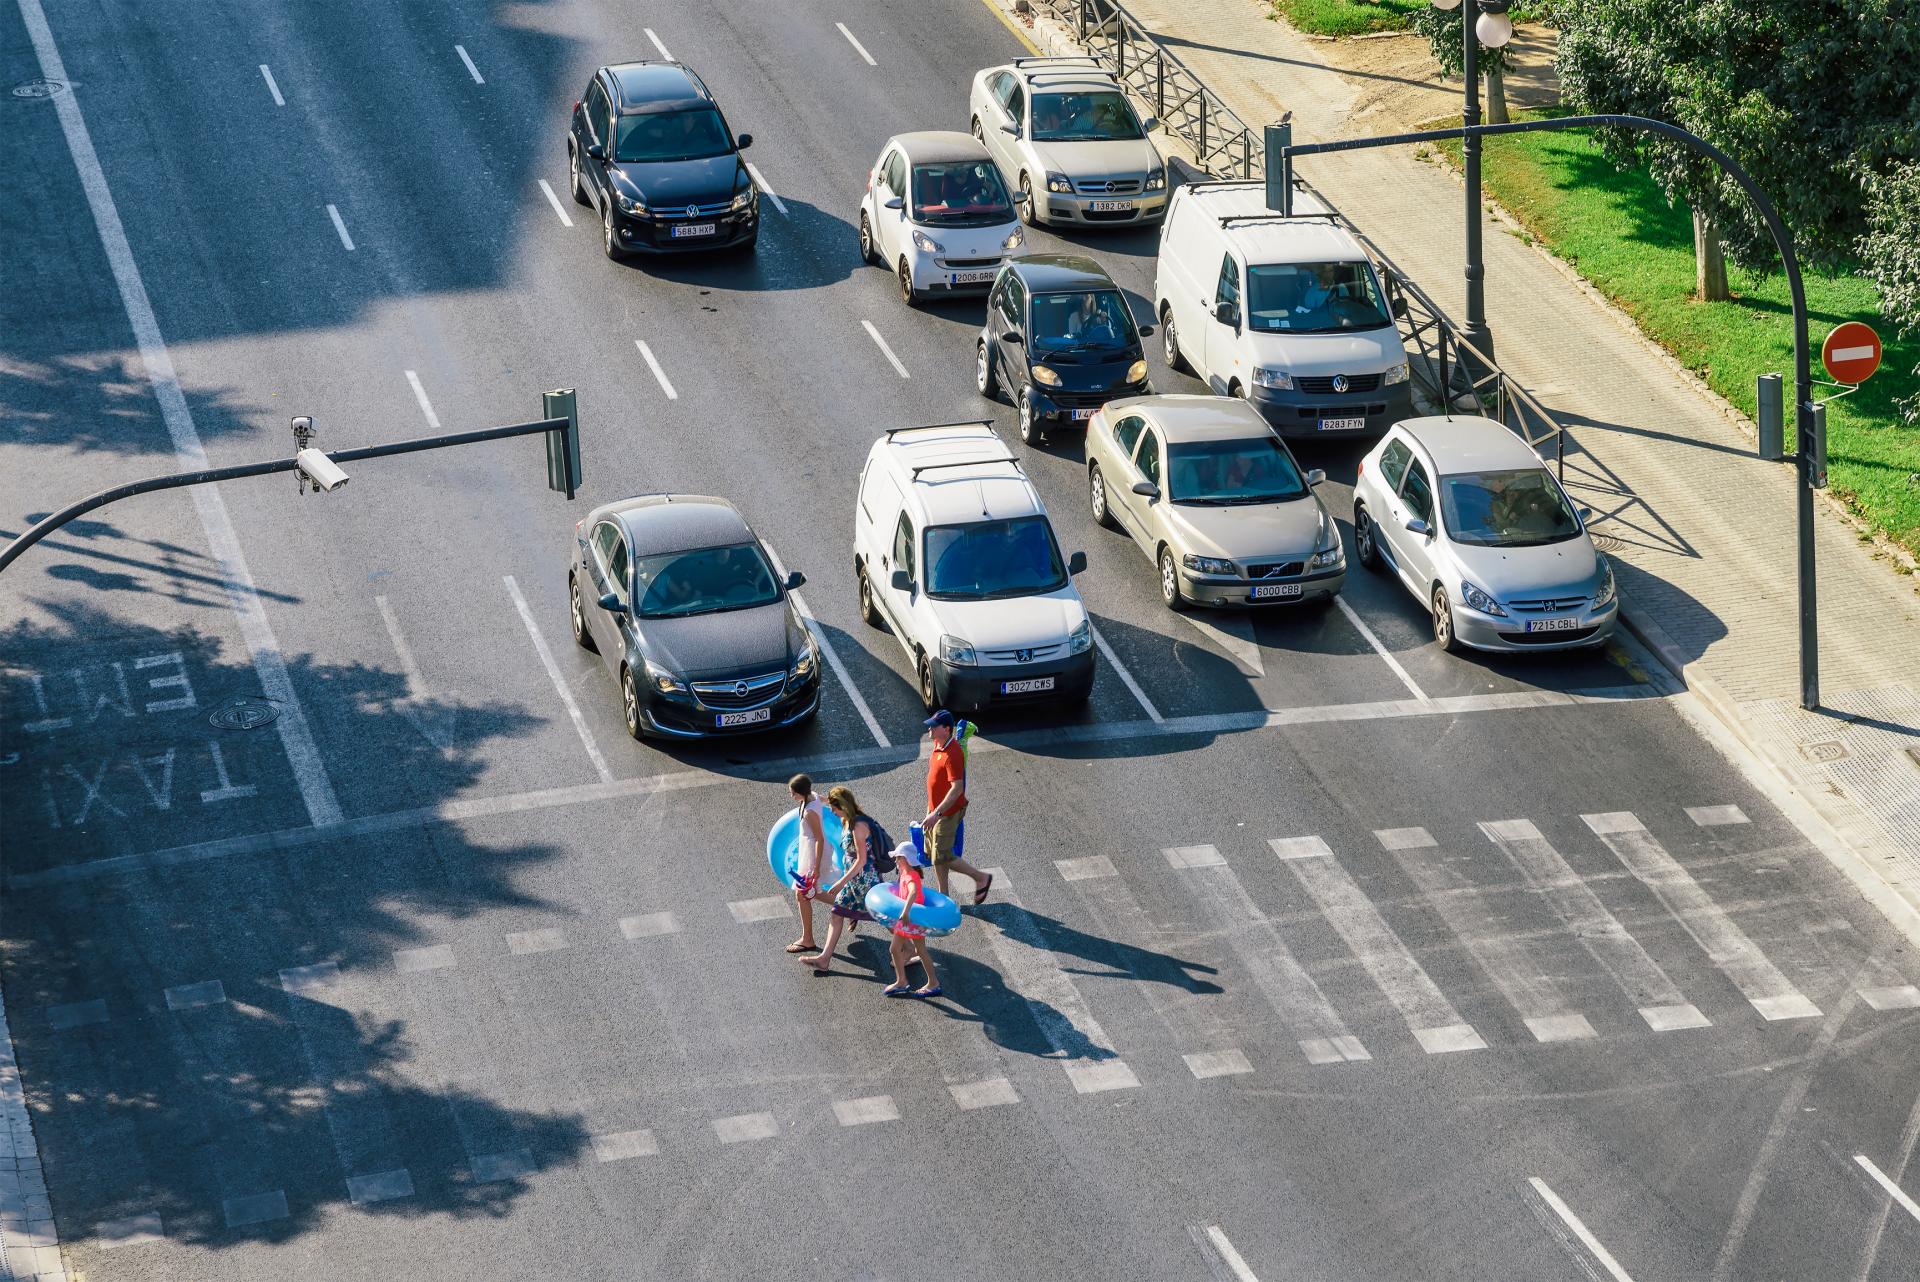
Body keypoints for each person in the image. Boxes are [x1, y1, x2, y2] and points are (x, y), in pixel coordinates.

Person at [803, 786, 885, 975]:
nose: (831, 811)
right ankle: (824, 959)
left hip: (865, 881)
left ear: (843, 806)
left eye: (834, 808)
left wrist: (840, 883)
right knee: (837, 913)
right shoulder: (845, 819)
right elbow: (824, 800)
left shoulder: (857, 827)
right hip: (853, 881)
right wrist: (813, 797)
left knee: (882, 916)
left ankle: (911, 950)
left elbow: (861, 860)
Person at [922, 710, 992, 904]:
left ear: (946, 729)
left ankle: (981, 878)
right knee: (936, 854)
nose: (929, 728)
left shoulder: (953, 753)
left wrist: (937, 813)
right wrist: (930, 809)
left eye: (933, 726)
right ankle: (944, 896)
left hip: (947, 812)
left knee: (942, 854)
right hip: (935, 810)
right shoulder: (938, 744)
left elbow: (957, 788)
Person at [882, 841, 942, 998]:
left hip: (913, 919)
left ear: (906, 859)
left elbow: (913, 892)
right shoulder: (904, 873)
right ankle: (901, 981)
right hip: (907, 919)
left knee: (921, 951)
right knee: (895, 949)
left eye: (898, 858)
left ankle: (933, 983)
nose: (895, 861)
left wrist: (906, 911)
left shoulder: (910, 875)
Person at [785, 773, 828, 955]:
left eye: (793, 793)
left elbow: (819, 839)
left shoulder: (809, 811)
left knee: (803, 894)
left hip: (811, 857)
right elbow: (828, 800)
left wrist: (816, 868)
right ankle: (849, 906)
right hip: (808, 853)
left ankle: (807, 939)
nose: (791, 796)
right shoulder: (814, 796)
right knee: (811, 893)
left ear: (801, 793)